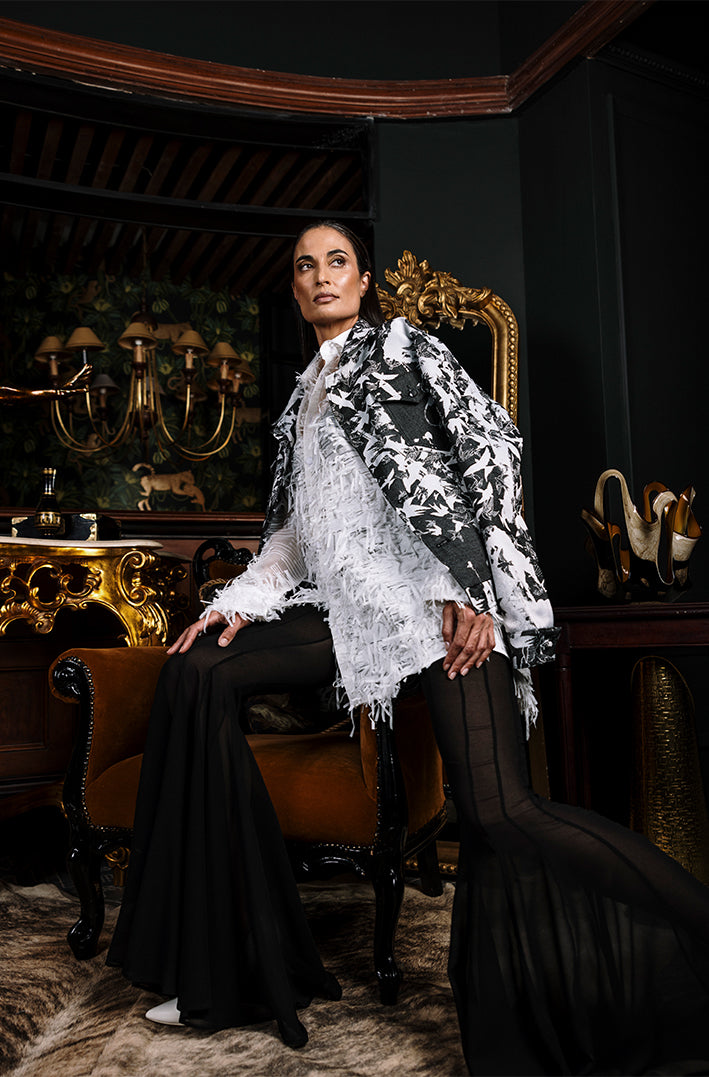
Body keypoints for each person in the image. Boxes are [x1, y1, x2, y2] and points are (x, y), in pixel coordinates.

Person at [108, 220, 709, 1073]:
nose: (321, 276)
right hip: (350, 615)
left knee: (503, 813)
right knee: (196, 669)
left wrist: (470, 590)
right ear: (295, 288)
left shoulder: (403, 349)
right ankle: (225, 971)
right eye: (305, 266)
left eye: (337, 262)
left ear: (362, 281)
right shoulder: (301, 401)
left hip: (437, 607)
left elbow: (489, 452)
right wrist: (233, 604)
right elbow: (296, 538)